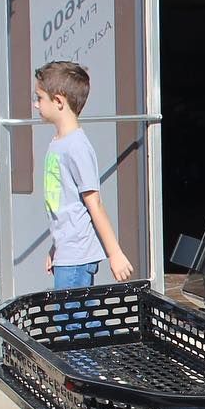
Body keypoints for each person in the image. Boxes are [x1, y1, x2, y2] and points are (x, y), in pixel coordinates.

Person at [35, 60, 133, 288]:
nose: (35, 104)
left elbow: (94, 204)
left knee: (73, 322)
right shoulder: (59, 143)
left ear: (58, 101)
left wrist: (115, 254)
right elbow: (68, 206)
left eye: (39, 98)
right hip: (67, 252)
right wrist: (56, 246)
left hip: (77, 257)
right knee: (69, 320)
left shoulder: (77, 147)